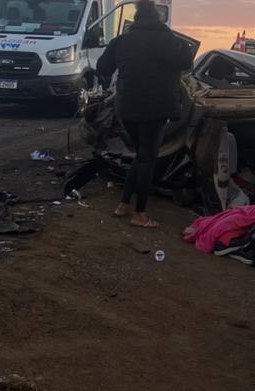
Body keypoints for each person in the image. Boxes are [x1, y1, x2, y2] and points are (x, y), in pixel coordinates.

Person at [96, 0, 194, 229]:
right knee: (147, 158)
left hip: (126, 108)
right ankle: (140, 214)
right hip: (156, 109)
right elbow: (187, 63)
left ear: (136, 17)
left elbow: (102, 69)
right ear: (158, 16)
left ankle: (123, 205)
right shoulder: (169, 41)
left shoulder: (121, 41)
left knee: (142, 155)